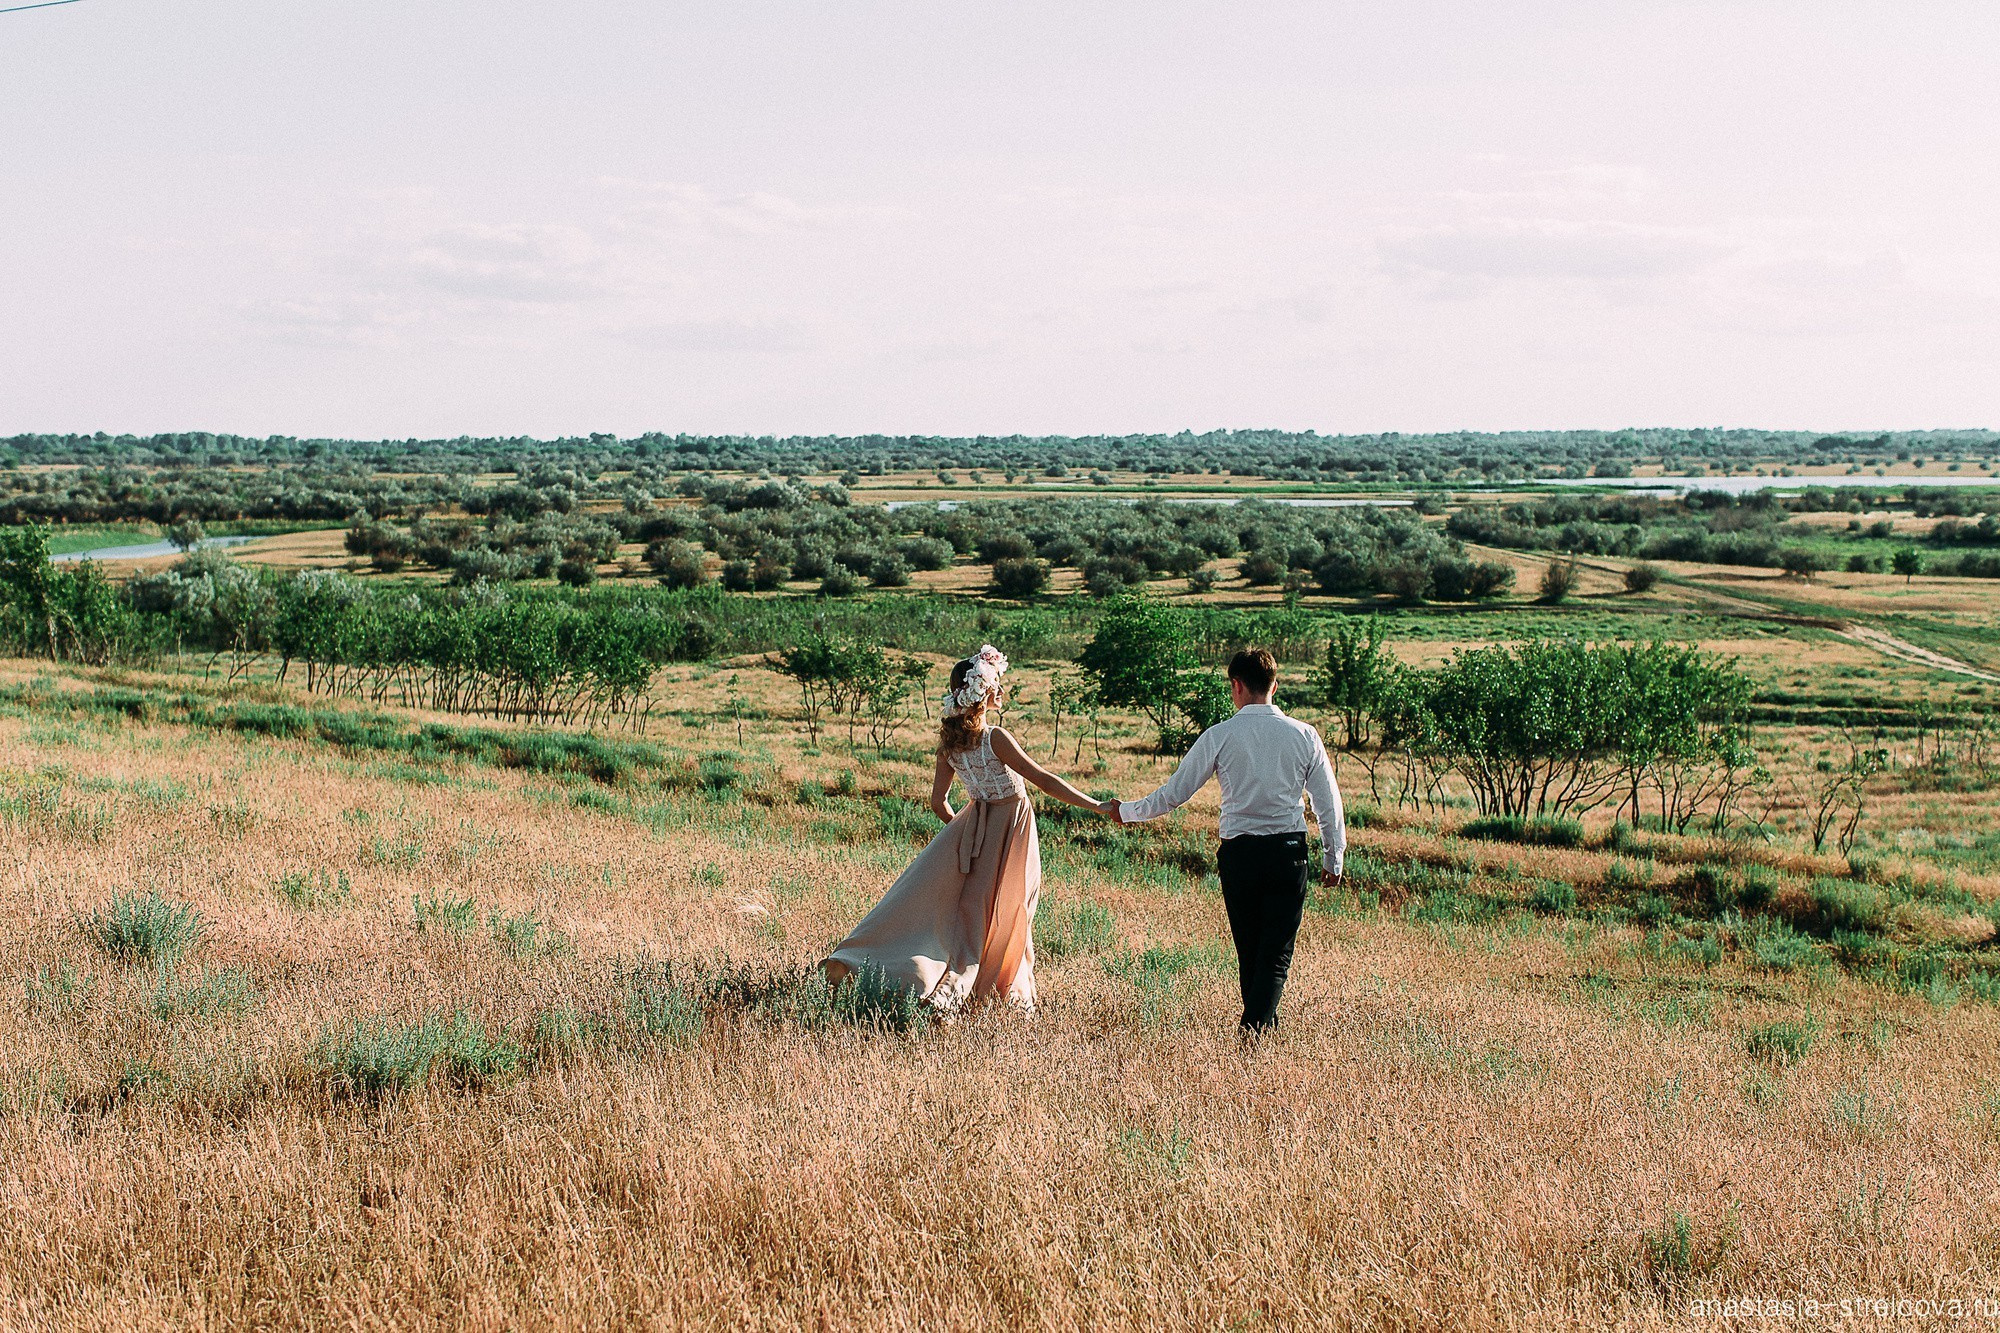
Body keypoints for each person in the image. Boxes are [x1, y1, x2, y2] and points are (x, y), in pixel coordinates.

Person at [823, 645, 1114, 1010]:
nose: (1002, 691)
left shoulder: (949, 744)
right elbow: (1043, 779)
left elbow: (938, 803)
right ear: (982, 691)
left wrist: (964, 831)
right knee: (1011, 909)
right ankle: (970, 993)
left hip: (976, 826)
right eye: (997, 684)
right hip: (1013, 827)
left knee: (968, 915)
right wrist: (1096, 805)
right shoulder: (995, 737)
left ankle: (920, 979)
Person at [1108, 648, 1344, 1036]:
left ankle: (1254, 1034)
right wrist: (1333, 857)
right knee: (1275, 954)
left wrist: (1127, 811)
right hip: (1288, 855)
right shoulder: (1305, 735)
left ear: (1236, 685)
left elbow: (1174, 794)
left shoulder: (1220, 735)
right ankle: (1258, 1034)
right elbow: (1327, 803)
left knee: (1250, 951)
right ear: (1275, 685)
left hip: (1240, 857)